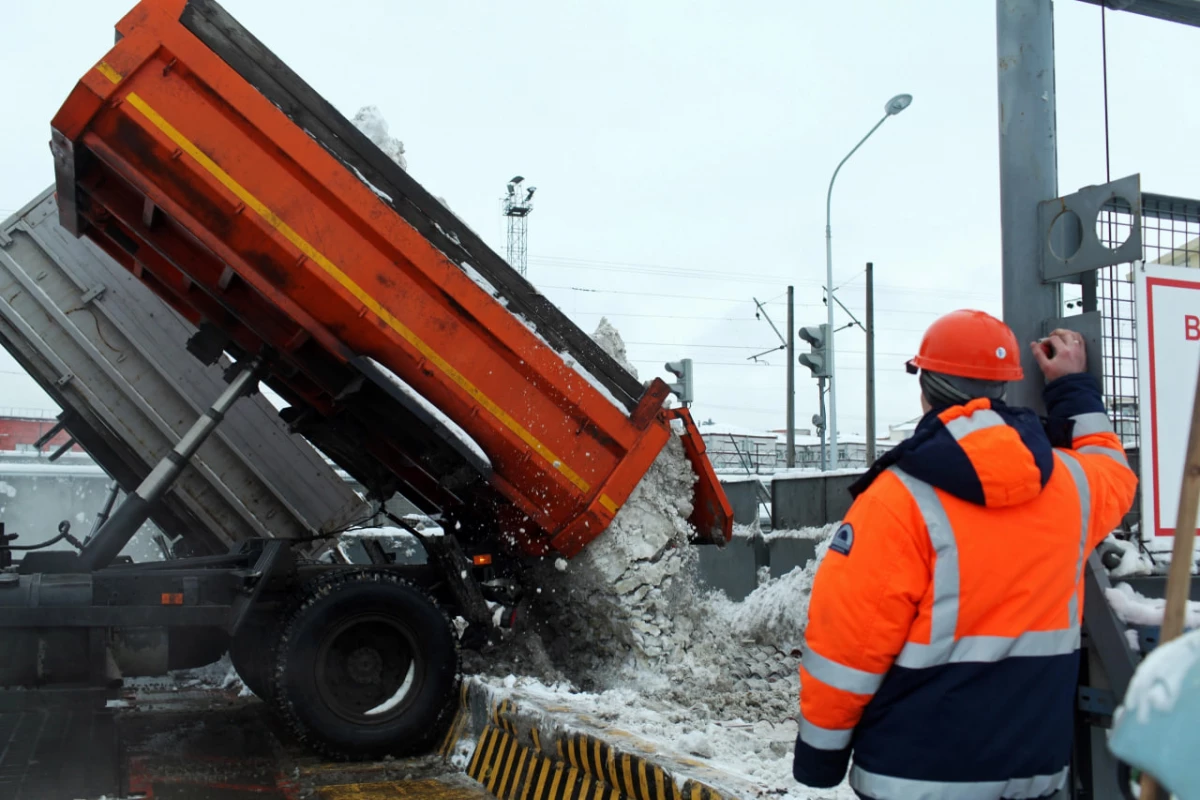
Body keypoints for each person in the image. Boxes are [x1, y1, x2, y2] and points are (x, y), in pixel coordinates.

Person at [792, 309, 1138, 800]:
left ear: (925, 387)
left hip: (910, 777)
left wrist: (820, 757)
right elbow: (1112, 470)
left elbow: (848, 641)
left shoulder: (897, 498)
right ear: (1005, 388)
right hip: (1032, 773)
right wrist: (1073, 388)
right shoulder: (1073, 486)